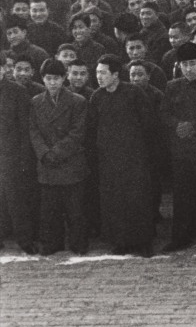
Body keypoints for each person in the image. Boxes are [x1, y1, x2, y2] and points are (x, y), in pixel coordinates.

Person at [88, 53, 161, 256]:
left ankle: (144, 242)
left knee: (138, 200)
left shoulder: (134, 93)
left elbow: (148, 125)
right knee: (114, 201)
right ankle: (121, 241)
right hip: (109, 160)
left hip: (134, 158)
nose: (99, 77)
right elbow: (92, 129)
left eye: (103, 73)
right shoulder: (97, 97)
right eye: (97, 73)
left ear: (115, 74)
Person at [29, 58, 87, 255]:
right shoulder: (36, 102)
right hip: (47, 163)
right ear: (42, 79)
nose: (52, 82)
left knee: (75, 210)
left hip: (70, 162)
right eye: (48, 78)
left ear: (64, 78)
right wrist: (44, 153)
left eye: (56, 78)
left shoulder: (78, 101)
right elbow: (34, 131)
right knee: (49, 210)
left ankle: (78, 243)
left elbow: (77, 133)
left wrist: (57, 152)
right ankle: (52, 243)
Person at [1, 64, 38, 254]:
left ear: (2, 69)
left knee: (16, 199)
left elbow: (25, 128)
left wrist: (24, 158)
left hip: (11, 155)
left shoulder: (17, 91)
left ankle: (25, 240)